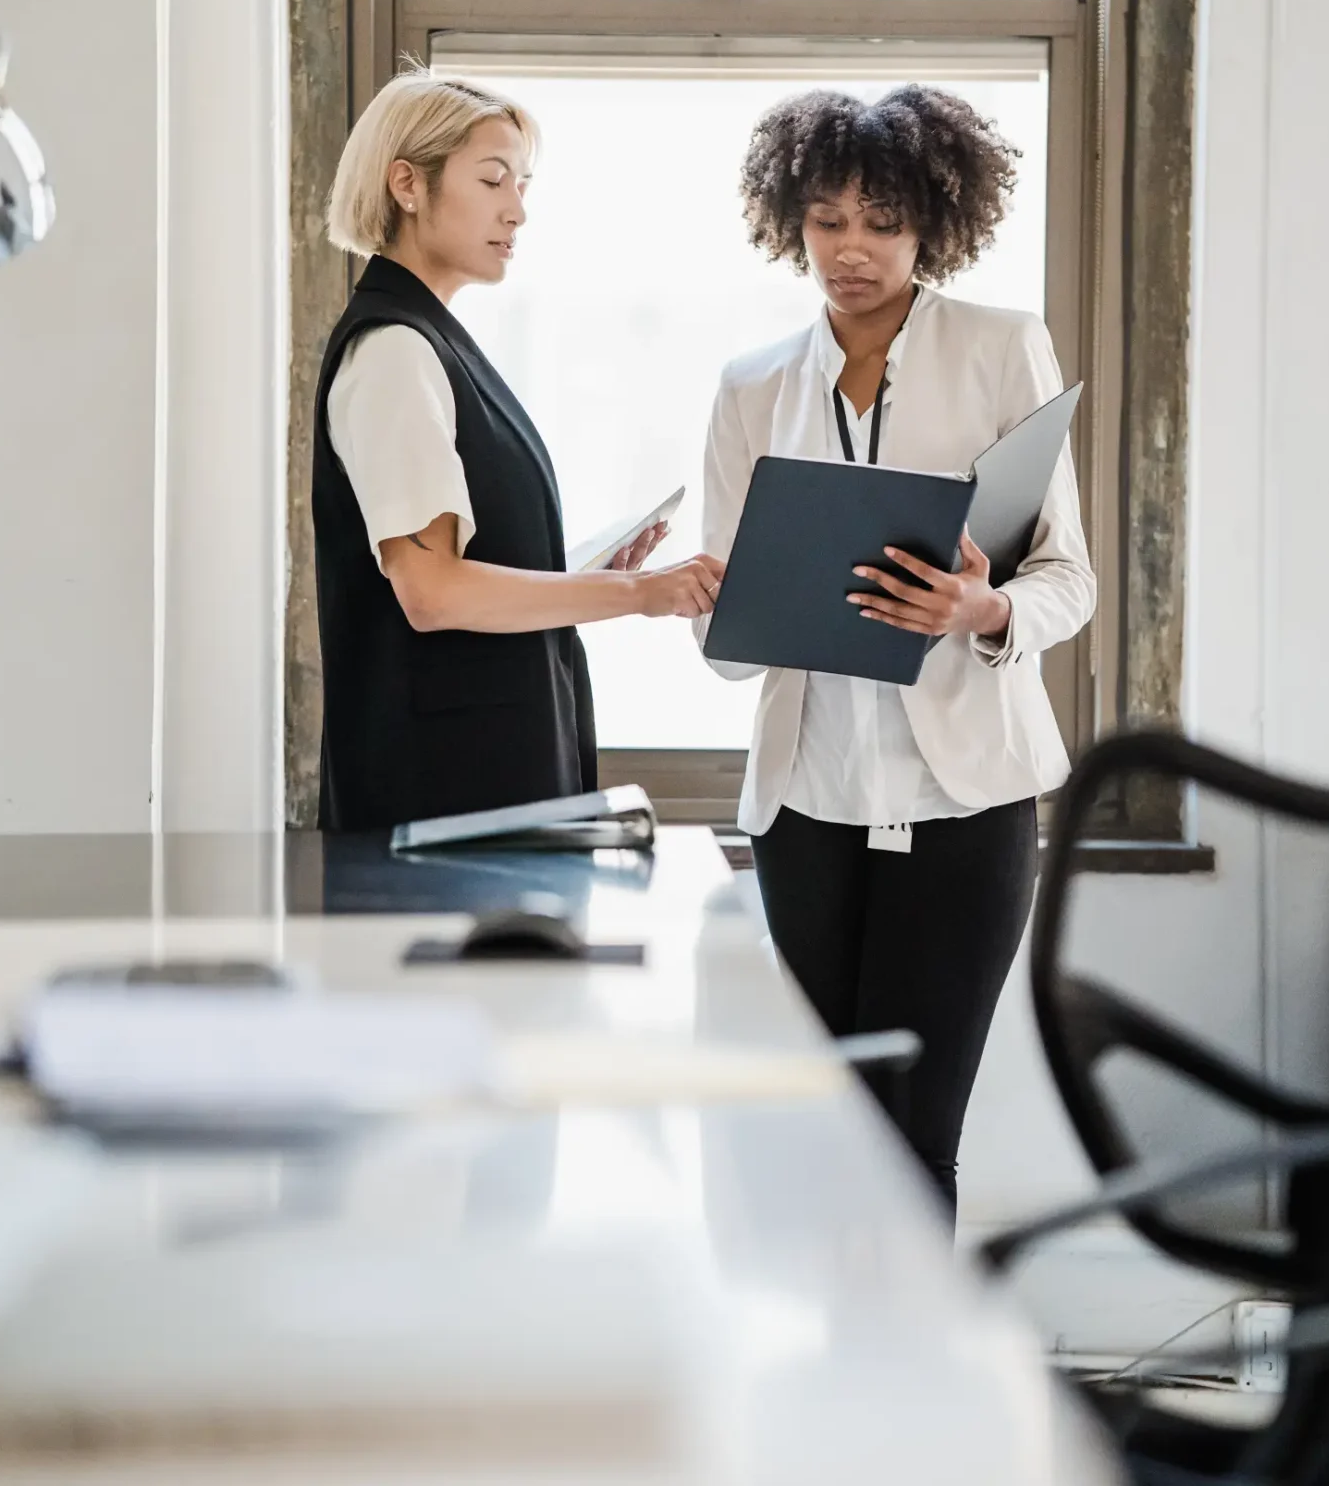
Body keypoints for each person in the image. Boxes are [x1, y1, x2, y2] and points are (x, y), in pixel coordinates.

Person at [695, 85, 1096, 1217]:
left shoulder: (1001, 348)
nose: (850, 249)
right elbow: (722, 643)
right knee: (831, 1139)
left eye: (880, 220)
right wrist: (719, 605)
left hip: (964, 800)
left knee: (915, 1136)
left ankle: (914, 1392)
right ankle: (833, 1385)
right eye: (825, 221)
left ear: (933, 221)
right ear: (791, 222)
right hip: (807, 806)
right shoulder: (749, 385)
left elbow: (1069, 580)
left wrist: (980, 611)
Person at [313, 71, 723, 832]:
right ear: (407, 183)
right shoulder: (396, 350)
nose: (517, 209)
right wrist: (638, 595)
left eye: (523, 183)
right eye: (493, 178)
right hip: (446, 791)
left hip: (477, 779)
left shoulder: (432, 340)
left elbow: (457, 571)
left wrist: (580, 574)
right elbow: (430, 594)